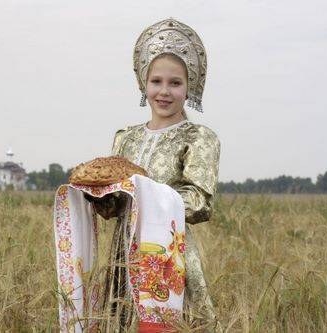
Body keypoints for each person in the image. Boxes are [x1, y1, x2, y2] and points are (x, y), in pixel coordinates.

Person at [91, 18, 221, 332]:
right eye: (156, 81)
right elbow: (112, 208)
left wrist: (143, 192)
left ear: (190, 87)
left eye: (175, 83)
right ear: (143, 83)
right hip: (124, 251)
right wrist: (95, 193)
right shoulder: (126, 138)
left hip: (169, 253)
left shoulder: (199, 138)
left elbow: (199, 202)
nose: (164, 92)